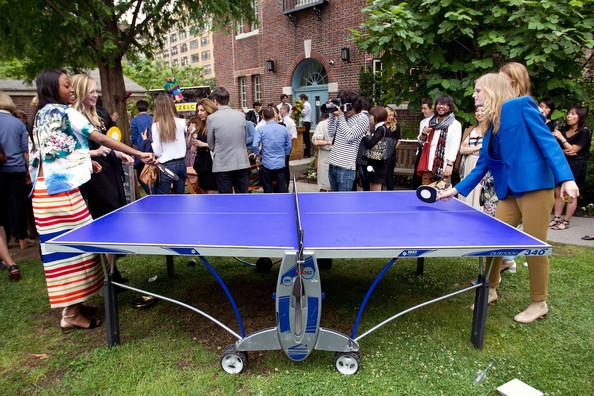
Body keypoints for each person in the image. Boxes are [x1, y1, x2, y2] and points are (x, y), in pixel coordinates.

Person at [438, 72, 578, 324]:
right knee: (494, 239)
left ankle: (539, 302)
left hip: (535, 186)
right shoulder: (492, 121)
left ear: (492, 90)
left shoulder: (521, 105)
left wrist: (566, 178)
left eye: (478, 90)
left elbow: (548, 143)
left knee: (535, 247)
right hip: (509, 191)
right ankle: (491, 288)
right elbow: (483, 164)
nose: (474, 95)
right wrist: (456, 189)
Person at [30, 69, 154, 331]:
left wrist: (86, 162)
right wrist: (139, 154)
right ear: (53, 88)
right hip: (59, 196)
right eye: (66, 86)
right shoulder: (64, 113)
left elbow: (55, 153)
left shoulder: (41, 115)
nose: (71, 89)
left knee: (72, 253)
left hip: (48, 193)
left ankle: (74, 306)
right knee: (75, 253)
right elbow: (98, 137)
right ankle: (70, 314)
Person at [0, 91, 34, 255]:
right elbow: (25, 151)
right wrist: (29, 170)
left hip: (1, 170)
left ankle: (5, 241)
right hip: (16, 169)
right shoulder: (17, 124)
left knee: (3, 207)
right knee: (17, 204)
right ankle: (22, 238)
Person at [550, 106, 591, 230]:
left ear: (580, 116)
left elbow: (574, 150)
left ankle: (566, 221)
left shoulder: (584, 131)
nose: (569, 116)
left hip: (577, 165)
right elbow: (557, 149)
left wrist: (562, 139)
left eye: (573, 114)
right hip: (562, 163)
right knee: (558, 192)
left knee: (571, 194)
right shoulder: (562, 130)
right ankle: (556, 218)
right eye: (568, 113)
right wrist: (564, 150)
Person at [207, 87, 251, 193]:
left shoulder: (212, 118)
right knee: (243, 199)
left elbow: (210, 144)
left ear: (215, 101)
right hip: (241, 162)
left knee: (226, 200)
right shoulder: (241, 115)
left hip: (223, 164)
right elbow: (245, 139)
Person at [327, 90, 370, 191]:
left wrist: (341, 117)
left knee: (343, 203)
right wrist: (331, 115)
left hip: (346, 168)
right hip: (332, 164)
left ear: (354, 106)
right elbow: (331, 132)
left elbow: (349, 136)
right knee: (334, 200)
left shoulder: (363, 118)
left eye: (346, 107)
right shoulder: (342, 117)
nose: (344, 110)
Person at [416, 96, 462, 186]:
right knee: (425, 194)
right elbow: (421, 142)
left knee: (442, 196)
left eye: (444, 104)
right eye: (439, 104)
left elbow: (454, 146)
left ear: (450, 107)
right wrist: (424, 134)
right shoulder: (429, 122)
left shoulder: (455, 125)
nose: (441, 106)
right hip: (428, 165)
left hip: (444, 167)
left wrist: (449, 165)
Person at [151, 94, 188, 194]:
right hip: (181, 163)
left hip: (165, 165)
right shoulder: (182, 122)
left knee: (164, 200)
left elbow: (158, 151)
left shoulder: (156, 126)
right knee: (180, 198)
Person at [252, 107, 292, 193]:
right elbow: (288, 145)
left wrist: (259, 155)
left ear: (263, 117)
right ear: (274, 115)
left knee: (267, 188)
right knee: (282, 188)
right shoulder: (284, 129)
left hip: (267, 163)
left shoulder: (261, 130)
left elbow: (255, 145)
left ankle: (269, 204)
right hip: (280, 163)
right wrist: (285, 155)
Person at [458, 105, 486, 208]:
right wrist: (479, 148)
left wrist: (470, 149)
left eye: (482, 110)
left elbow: (489, 150)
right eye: (477, 111)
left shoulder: (492, 131)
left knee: (480, 191)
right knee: (468, 190)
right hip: (469, 164)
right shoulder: (470, 130)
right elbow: (462, 150)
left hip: (483, 165)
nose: (479, 113)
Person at [190, 98, 218, 193]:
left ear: (209, 110)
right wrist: (195, 145)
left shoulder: (215, 125)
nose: (199, 113)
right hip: (202, 165)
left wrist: (204, 144)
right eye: (198, 110)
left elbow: (220, 145)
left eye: (202, 110)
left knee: (212, 194)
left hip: (212, 165)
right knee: (204, 194)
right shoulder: (201, 126)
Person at [363, 106, 391, 191]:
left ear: (376, 116)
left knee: (375, 188)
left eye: (371, 115)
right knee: (373, 185)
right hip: (378, 162)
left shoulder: (380, 129)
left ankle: (375, 204)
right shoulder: (382, 128)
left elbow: (370, 144)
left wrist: (366, 134)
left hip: (378, 164)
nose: (370, 117)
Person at [312, 113, 331, 191]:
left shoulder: (344, 122)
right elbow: (315, 141)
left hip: (340, 158)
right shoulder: (322, 124)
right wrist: (329, 142)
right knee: (323, 185)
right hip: (325, 155)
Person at [279, 103, 297, 188]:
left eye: (281, 109)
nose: (280, 111)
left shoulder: (290, 121)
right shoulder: (281, 120)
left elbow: (294, 136)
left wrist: (285, 141)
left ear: (286, 110)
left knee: (285, 166)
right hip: (280, 147)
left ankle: (286, 185)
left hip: (286, 147)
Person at [384, 105, 401, 191]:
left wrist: (391, 151)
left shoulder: (396, 126)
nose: (391, 117)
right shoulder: (381, 125)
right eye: (389, 115)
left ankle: (390, 193)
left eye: (392, 115)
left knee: (389, 175)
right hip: (380, 155)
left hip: (390, 156)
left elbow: (398, 140)